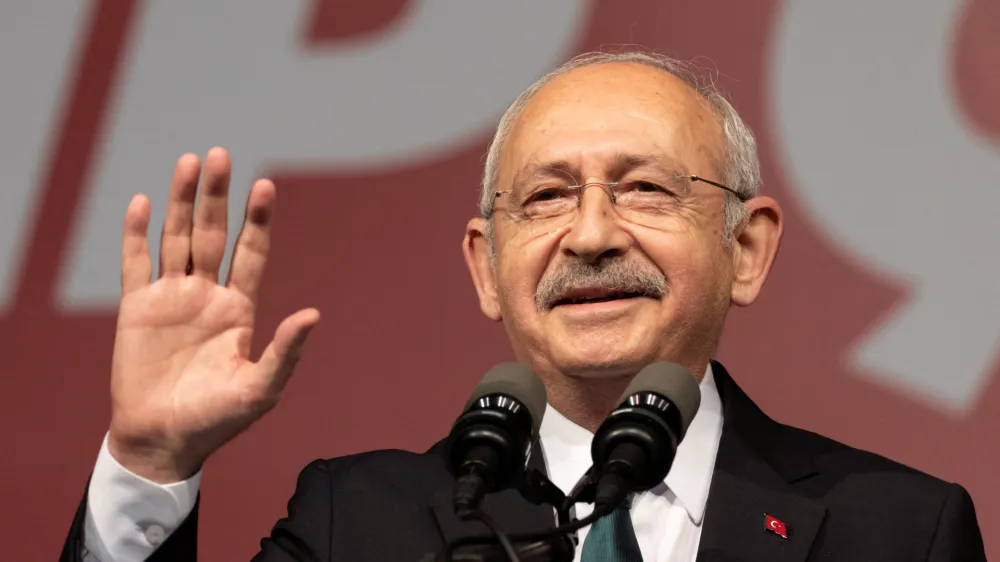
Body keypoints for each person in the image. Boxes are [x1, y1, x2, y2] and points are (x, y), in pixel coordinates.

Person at [61, 49, 986, 562]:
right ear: (485, 265)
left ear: (747, 248)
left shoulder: (899, 531)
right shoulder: (362, 525)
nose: (589, 236)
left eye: (646, 190)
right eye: (544, 197)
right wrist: (148, 463)